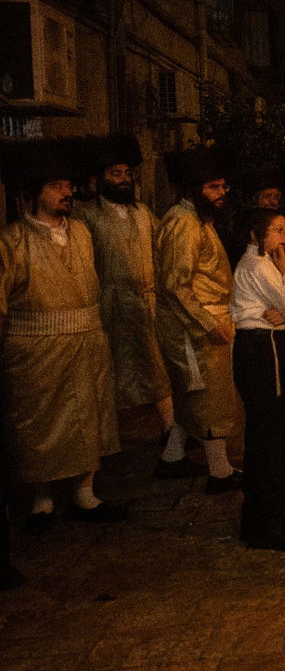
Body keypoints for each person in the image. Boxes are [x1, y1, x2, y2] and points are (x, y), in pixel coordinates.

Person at [1, 139, 124, 534]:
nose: (67, 192)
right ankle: (43, 499)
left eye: (68, 185)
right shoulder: (11, 240)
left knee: (88, 417)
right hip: (36, 349)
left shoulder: (83, 233)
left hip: (86, 339)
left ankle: (85, 494)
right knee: (40, 424)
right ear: (34, 193)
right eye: (56, 186)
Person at [73, 134, 186, 474]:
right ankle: (103, 446)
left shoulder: (143, 213)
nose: (123, 180)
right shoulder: (86, 216)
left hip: (148, 304)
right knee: (109, 375)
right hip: (109, 307)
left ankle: (171, 434)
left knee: (158, 370)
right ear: (99, 179)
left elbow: (161, 251)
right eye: (115, 174)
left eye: (126, 173)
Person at [155, 146, 241, 494]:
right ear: (193, 189)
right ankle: (219, 472)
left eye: (223, 187)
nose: (222, 194)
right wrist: (208, 323)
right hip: (195, 327)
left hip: (204, 319)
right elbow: (176, 285)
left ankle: (172, 458)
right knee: (210, 397)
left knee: (193, 397)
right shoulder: (184, 224)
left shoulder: (197, 219)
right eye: (214, 187)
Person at [230, 208, 285, 550]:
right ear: (256, 235)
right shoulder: (261, 267)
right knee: (271, 438)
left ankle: (263, 515)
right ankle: (267, 522)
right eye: (277, 230)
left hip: (265, 346)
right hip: (265, 350)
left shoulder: (260, 266)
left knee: (267, 435)